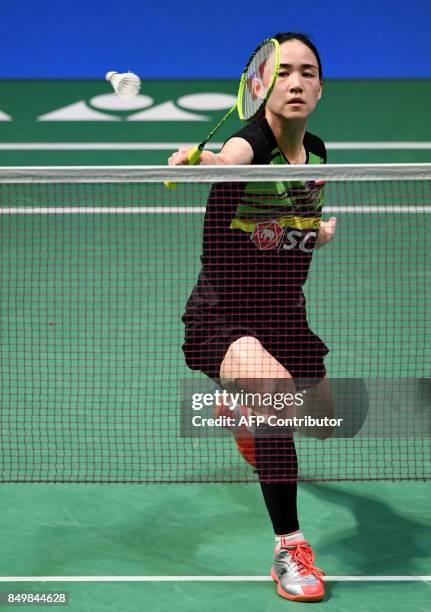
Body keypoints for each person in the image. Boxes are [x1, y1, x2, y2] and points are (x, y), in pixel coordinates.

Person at [168, 32, 337, 603]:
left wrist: (316, 230)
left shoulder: (316, 151)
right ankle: (289, 547)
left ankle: (244, 411)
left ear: (321, 85)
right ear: (261, 83)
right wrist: (200, 162)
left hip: (286, 316)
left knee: (321, 413)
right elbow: (225, 163)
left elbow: (293, 218)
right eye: (283, 70)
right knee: (276, 391)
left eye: (307, 72)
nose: (295, 82)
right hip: (224, 316)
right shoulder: (249, 143)